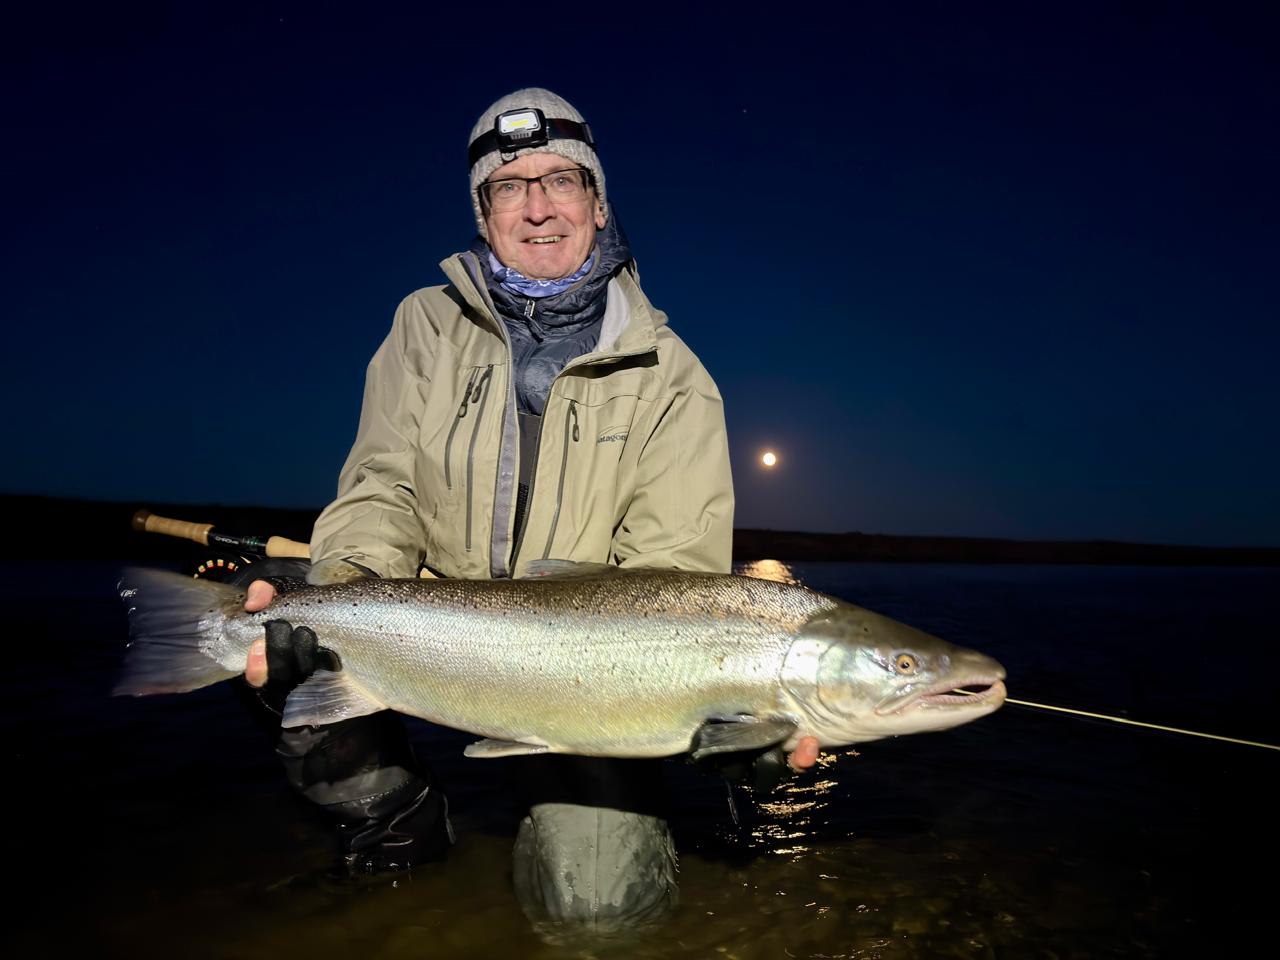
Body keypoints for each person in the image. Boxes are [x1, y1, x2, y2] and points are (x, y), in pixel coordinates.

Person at [239, 88, 820, 926]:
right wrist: (345, 590)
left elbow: (671, 578)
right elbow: (380, 487)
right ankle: (396, 824)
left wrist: (714, 714)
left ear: (598, 202)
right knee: (274, 621)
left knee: (598, 917)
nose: (538, 208)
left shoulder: (674, 376)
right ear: (484, 214)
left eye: (561, 181)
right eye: (509, 187)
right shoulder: (423, 325)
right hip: (425, 626)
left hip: (579, 672)